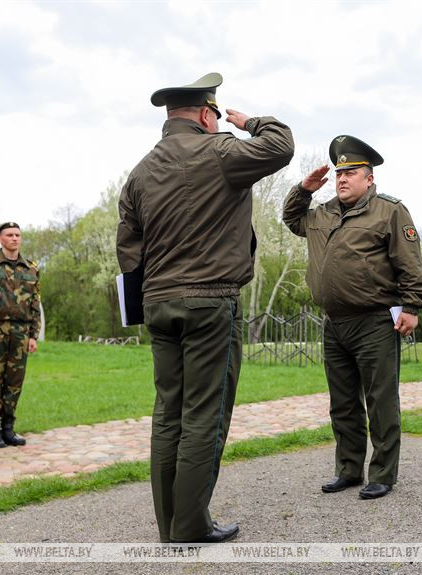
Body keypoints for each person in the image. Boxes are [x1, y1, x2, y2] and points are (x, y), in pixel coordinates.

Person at [116, 72, 293, 543]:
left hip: (158, 304)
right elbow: (281, 145)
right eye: (216, 114)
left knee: (168, 412)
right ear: (205, 113)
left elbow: (128, 250)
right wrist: (251, 120)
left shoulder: (139, 172)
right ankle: (191, 526)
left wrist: (143, 306)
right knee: (204, 415)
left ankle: (169, 524)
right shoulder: (220, 152)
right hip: (211, 302)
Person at [283, 135, 422, 500]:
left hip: (375, 320)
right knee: (343, 402)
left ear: (370, 178)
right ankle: (348, 469)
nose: (342, 179)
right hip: (335, 323)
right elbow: (291, 218)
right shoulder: (322, 214)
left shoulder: (389, 211)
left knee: (381, 400)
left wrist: (411, 307)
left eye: (351, 172)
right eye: (338, 173)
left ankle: (382, 473)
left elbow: (409, 263)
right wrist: (303, 189)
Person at [0, 222, 41, 449]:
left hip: (21, 332)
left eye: (18, 235)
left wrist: (33, 335)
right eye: (9, 235)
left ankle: (8, 428)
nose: (15, 238)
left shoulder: (31, 268)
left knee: (14, 382)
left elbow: (34, 304)